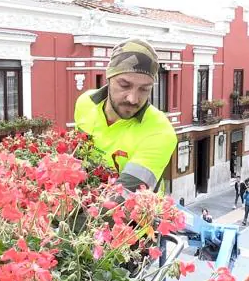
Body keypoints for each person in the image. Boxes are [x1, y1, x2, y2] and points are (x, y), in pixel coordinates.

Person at [74, 38, 177, 199]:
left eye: (144, 89)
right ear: (108, 77)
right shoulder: (85, 103)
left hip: (130, 221)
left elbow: (122, 201)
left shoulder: (160, 132)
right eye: (124, 85)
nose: (133, 99)